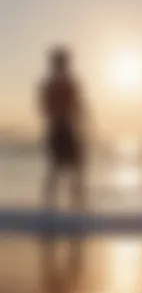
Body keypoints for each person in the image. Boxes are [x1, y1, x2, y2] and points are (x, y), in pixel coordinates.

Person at [39, 45, 87, 210]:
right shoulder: (56, 84)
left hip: (63, 127)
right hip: (61, 128)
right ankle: (58, 206)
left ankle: (70, 206)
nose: (66, 65)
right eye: (64, 62)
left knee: (68, 167)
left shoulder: (62, 83)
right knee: (64, 168)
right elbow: (48, 108)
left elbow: (78, 105)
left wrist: (80, 121)